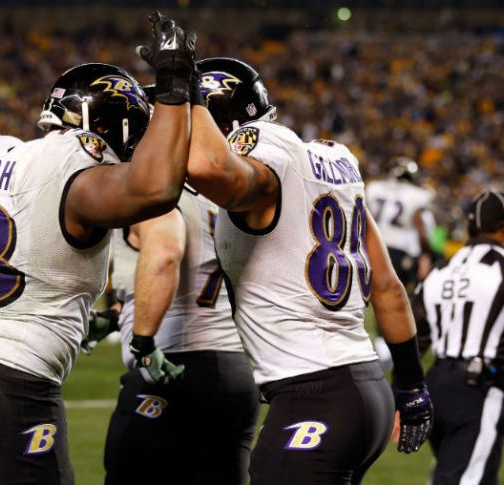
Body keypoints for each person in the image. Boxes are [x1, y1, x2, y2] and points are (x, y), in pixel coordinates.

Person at [0, 12, 197, 484]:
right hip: (9, 388)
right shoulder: (77, 169)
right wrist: (174, 82)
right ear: (116, 128)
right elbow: (156, 190)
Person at [185, 57, 433, 485]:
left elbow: (211, 168)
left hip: (316, 393)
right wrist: (410, 384)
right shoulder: (329, 163)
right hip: (363, 384)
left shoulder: (261, 152)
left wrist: (182, 95)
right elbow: (388, 286)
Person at [101, 187, 260, 485]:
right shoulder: (232, 195)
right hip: (237, 372)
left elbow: (164, 257)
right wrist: (117, 318)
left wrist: (143, 340)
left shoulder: (160, 193)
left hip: (172, 368)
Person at [412, 189, 504, 485]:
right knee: (467, 479)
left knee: (459, 471)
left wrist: (404, 391)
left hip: (436, 386)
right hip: (481, 387)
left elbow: (412, 337)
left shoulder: (440, 270)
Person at [365, 157, 436, 369]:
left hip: (372, 247)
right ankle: (393, 348)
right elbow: (420, 228)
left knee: (373, 297)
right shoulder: (417, 195)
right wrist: (427, 253)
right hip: (400, 251)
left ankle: (378, 345)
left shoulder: (375, 188)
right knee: (397, 299)